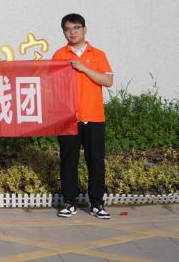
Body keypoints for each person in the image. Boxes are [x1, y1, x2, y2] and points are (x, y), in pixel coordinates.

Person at [53, 13, 113, 219]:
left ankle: (97, 204)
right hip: (68, 118)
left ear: (84, 29)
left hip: (94, 117)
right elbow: (53, 84)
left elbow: (107, 81)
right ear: (64, 32)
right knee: (68, 161)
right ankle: (69, 202)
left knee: (95, 161)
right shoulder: (59, 55)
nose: (72, 32)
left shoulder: (97, 54)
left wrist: (83, 67)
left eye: (76, 28)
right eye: (68, 29)